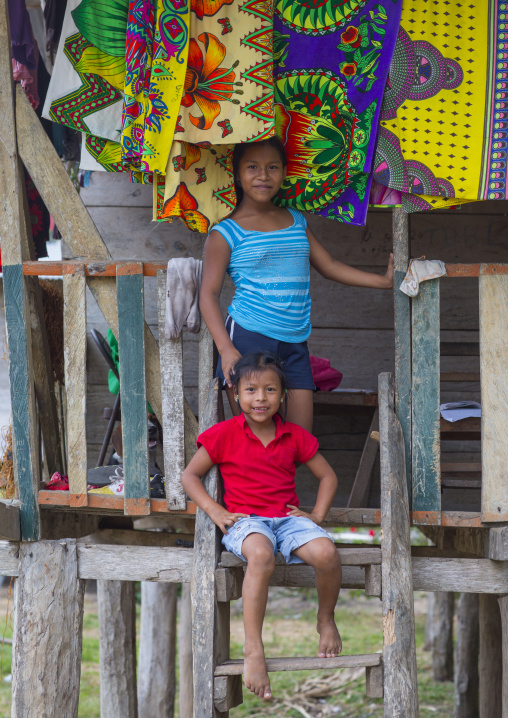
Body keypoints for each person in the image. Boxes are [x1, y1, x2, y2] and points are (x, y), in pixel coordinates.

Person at [199, 136, 394, 433]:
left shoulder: (295, 219)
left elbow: (328, 266)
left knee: (299, 440)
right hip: (248, 338)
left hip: (294, 341)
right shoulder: (225, 232)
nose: (263, 175)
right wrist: (226, 349)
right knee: (255, 441)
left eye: (272, 167)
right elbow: (208, 295)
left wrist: (383, 282)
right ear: (237, 174)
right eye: (253, 167)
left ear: (284, 172)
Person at [181, 352, 342, 700]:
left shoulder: (294, 435)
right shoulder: (223, 434)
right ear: (236, 394)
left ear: (283, 396)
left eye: (270, 390)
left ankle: (326, 618)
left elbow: (328, 476)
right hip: (246, 521)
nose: (260, 398)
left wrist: (315, 517)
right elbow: (189, 476)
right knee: (260, 553)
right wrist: (215, 510)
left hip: (287, 520)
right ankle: (253, 648)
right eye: (251, 390)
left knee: (327, 552)